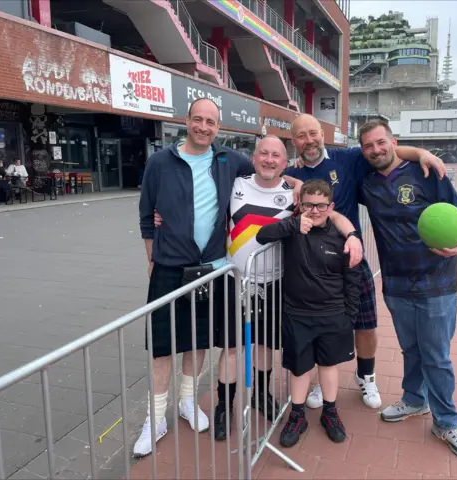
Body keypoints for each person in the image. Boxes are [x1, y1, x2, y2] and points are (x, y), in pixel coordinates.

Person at [153, 135, 362, 441]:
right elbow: (198, 204)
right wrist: (163, 217)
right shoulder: (235, 185)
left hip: (275, 283)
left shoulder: (295, 194)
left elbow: (331, 213)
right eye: (263, 153)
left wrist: (353, 234)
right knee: (233, 348)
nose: (269, 159)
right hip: (233, 278)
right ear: (253, 157)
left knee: (265, 345)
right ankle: (225, 405)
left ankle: (261, 395)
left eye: (276, 155)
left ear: (284, 161)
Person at [136, 98, 291, 457]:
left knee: (201, 341)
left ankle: (189, 401)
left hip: (214, 267)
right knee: (163, 348)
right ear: (187, 121)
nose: (204, 127)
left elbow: (269, 172)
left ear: (219, 127)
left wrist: (296, 185)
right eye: (198, 120)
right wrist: (151, 258)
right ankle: (155, 418)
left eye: (211, 122)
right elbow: (147, 216)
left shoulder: (229, 160)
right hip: (170, 266)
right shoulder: (160, 162)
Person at [286, 114, 448, 410]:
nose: (308, 141)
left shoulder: (347, 158)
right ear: (293, 140)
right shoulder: (289, 171)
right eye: (301, 136)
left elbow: (388, 152)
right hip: (312, 268)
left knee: (366, 324)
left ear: (322, 134)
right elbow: (264, 173)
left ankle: (366, 377)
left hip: (352, 260)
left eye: (313, 133)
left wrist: (423, 153)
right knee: (321, 326)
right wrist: (290, 178)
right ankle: (322, 383)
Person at [357, 119, 457, 460]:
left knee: (436, 355)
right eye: (369, 146)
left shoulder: (426, 172)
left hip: (437, 282)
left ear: (393, 141)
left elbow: (455, 219)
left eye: (381, 142)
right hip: (395, 281)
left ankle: (446, 421)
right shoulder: (365, 183)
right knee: (411, 348)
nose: (376, 150)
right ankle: (414, 399)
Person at [256, 179, 360, 447]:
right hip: (297, 313)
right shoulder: (292, 230)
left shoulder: (341, 237)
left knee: (328, 364)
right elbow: (261, 236)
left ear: (331, 206)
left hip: (333, 312)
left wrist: (348, 315)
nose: (315, 211)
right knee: (300, 367)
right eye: (309, 205)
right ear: (300, 205)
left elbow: (353, 279)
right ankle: (297, 414)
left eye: (321, 206)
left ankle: (331, 412)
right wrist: (292, 224)